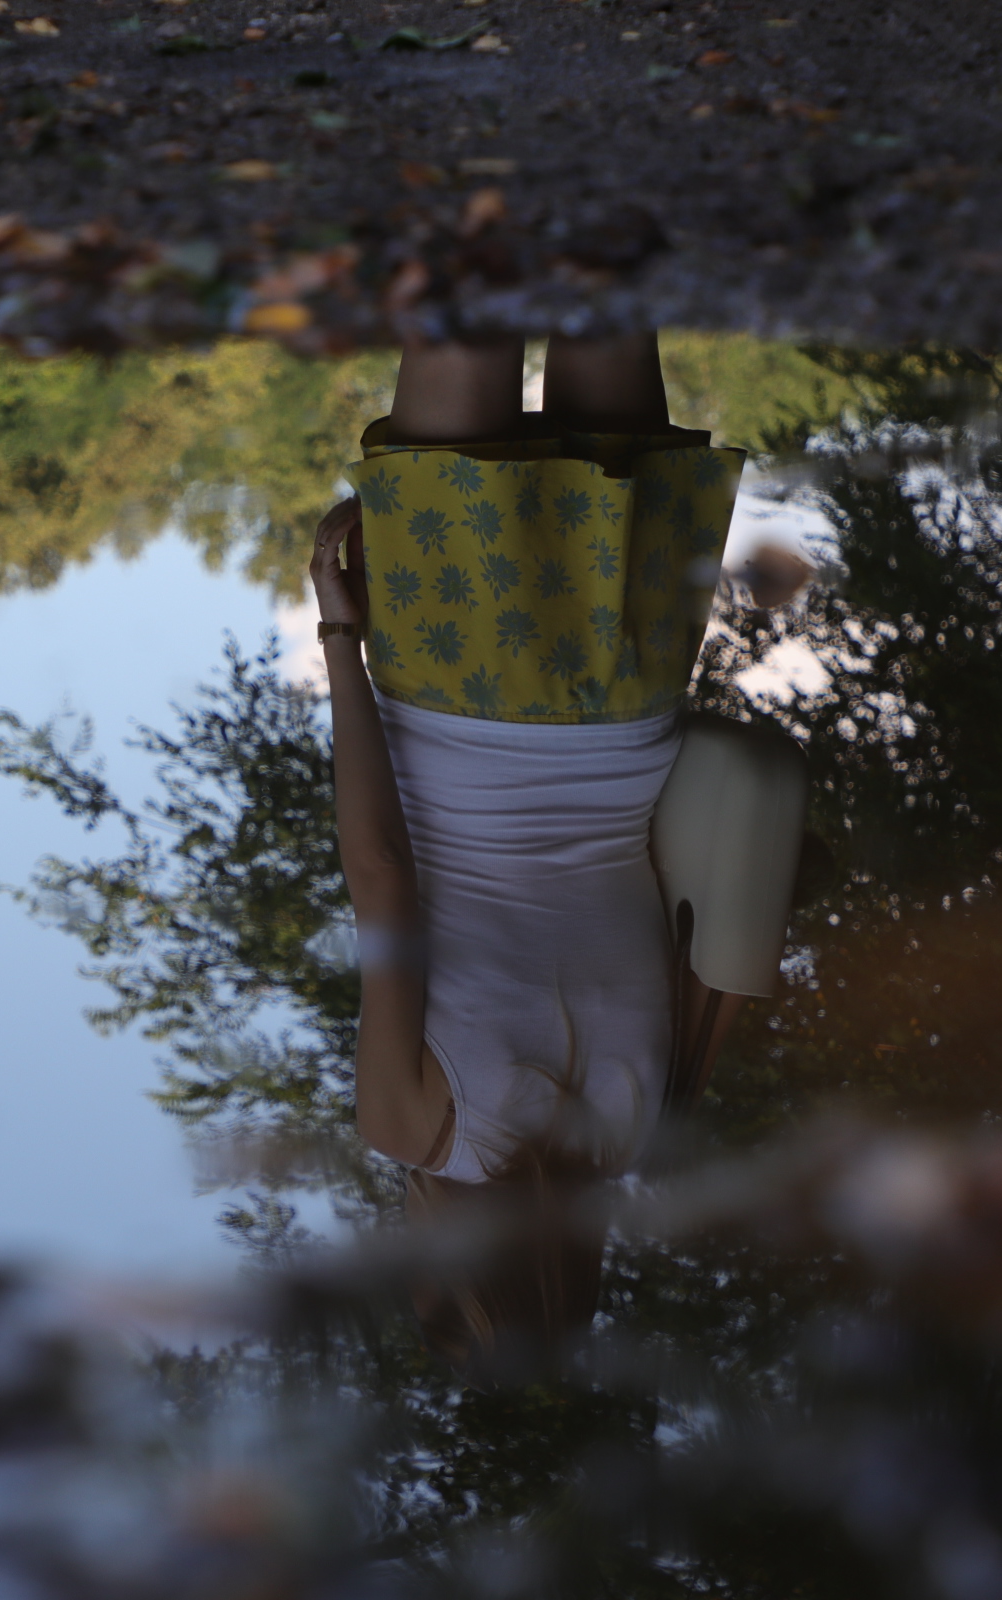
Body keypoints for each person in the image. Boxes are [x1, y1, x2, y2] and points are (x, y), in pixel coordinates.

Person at [307, 332, 806, 1373]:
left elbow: (701, 908)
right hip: (458, 693)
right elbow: (383, 879)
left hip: (628, 693)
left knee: (608, 312)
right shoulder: (414, 1128)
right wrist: (341, 642)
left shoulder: (645, 1125)